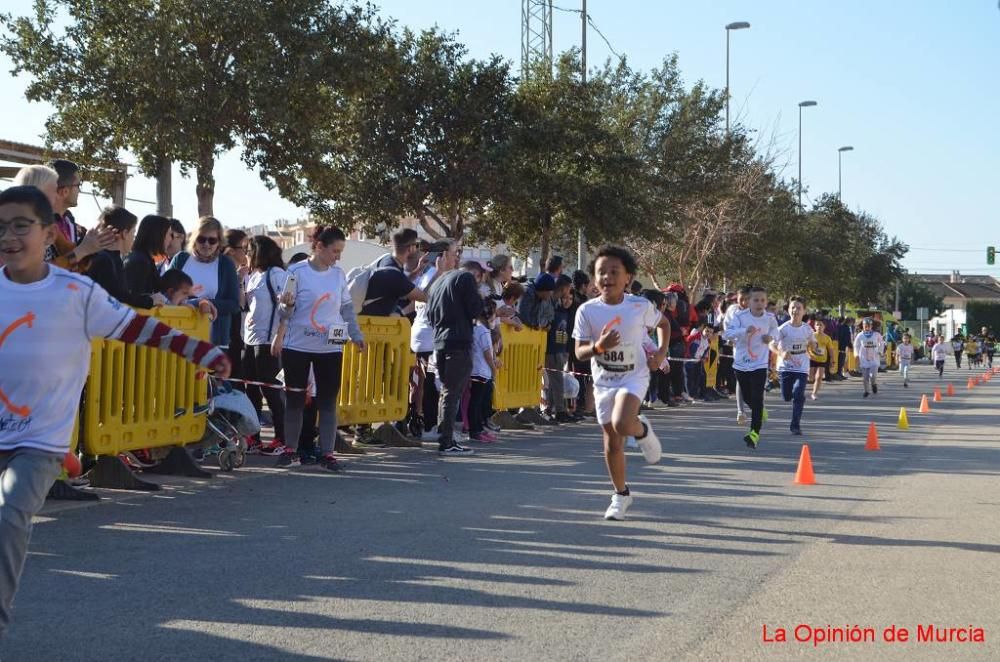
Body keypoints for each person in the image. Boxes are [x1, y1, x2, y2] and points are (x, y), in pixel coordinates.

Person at [0, 185, 230, 640]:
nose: (9, 236)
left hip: (38, 441)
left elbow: (136, 326)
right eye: (1, 226)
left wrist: (196, 350)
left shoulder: (75, 292)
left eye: (21, 225)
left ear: (48, 233)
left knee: (8, 515)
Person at [573, 245, 668, 521]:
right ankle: (621, 495)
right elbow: (579, 352)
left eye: (614, 272)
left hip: (633, 376)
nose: (607, 277)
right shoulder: (587, 311)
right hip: (604, 381)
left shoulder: (638, 306)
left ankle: (640, 431)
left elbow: (664, 325)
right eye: (601, 272)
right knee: (612, 444)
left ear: (628, 277)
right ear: (594, 279)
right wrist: (598, 347)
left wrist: (660, 353)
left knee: (622, 422)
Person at [270, 226, 365, 471]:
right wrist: (286, 306)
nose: (338, 257)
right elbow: (284, 311)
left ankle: (327, 453)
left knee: (328, 400)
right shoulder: (296, 271)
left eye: (341, 251)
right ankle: (290, 450)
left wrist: (355, 334)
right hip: (298, 344)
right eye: (335, 250)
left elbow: (345, 309)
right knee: (295, 399)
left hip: (330, 346)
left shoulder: (338, 275)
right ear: (319, 246)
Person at [425, 260, 485, 456]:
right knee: (453, 392)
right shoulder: (466, 278)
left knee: (446, 390)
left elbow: (430, 312)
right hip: (459, 341)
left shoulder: (440, 280)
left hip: (440, 340)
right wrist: (480, 297)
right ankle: (447, 441)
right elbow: (475, 309)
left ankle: (445, 434)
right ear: (476, 274)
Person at [12, 165, 114, 271]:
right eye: (53, 190)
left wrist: (91, 246)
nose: (57, 196)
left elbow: (74, 263)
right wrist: (82, 251)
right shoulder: (14, 229)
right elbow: (35, 274)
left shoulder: (46, 225)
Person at [409, 240, 460, 440]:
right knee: (432, 384)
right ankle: (430, 427)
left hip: (433, 336)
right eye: (455, 253)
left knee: (436, 383)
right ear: (442, 255)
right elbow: (423, 298)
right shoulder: (433, 276)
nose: (457, 257)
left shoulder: (436, 276)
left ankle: (438, 426)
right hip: (428, 338)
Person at [242, 235, 288, 453]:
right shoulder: (252, 276)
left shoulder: (277, 274)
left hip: (268, 339)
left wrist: (279, 336)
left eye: (249, 251)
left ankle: (282, 437)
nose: (247, 255)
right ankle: (254, 436)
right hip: (249, 339)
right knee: (250, 387)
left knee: (270, 389)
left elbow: (287, 307)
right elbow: (247, 306)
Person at [169, 217, 241, 347]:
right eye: (201, 239)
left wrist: (205, 303)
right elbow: (166, 292)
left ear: (219, 242)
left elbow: (234, 304)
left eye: (212, 240)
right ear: (194, 239)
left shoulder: (226, 264)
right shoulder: (181, 259)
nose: (206, 244)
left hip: (214, 340)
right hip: (180, 335)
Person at [722, 285, 778, 449]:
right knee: (746, 396)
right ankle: (758, 411)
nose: (759, 303)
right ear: (749, 301)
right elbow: (728, 334)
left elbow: (776, 331)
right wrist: (743, 331)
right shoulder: (740, 316)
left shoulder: (769, 318)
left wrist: (771, 337)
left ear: (766, 302)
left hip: (759, 363)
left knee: (757, 397)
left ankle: (754, 434)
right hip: (741, 362)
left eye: (762, 300)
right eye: (756, 300)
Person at [85, 206, 167, 309]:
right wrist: (149, 301)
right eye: (133, 233)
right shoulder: (104, 260)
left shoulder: (110, 258)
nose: (134, 238)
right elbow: (118, 297)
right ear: (124, 234)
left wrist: (149, 298)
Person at [770, 297, 817, 436]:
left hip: (802, 364)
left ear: (804, 311)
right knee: (786, 396)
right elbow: (771, 344)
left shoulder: (807, 328)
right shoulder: (783, 328)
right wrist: (780, 352)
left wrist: (814, 347)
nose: (795, 310)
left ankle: (795, 425)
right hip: (786, 366)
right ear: (788, 310)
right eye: (792, 307)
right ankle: (797, 397)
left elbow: (813, 342)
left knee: (798, 393)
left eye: (798, 308)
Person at [542, 275, 574, 423]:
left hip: (560, 348)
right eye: (568, 288)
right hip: (552, 349)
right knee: (555, 381)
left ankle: (552, 408)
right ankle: (558, 410)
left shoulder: (562, 309)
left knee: (557, 381)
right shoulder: (550, 303)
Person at [468, 299, 500, 443]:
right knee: (477, 402)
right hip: (480, 371)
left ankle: (478, 428)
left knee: (478, 401)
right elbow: (487, 354)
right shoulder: (483, 330)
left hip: (477, 370)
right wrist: (494, 369)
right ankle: (475, 430)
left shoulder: (477, 328)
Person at [124, 214, 172, 302]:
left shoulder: (145, 260)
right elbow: (133, 298)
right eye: (169, 234)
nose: (170, 239)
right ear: (158, 235)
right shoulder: (139, 262)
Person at [722, 286, 751, 423]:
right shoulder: (732, 310)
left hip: (757, 351)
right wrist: (732, 338)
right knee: (741, 378)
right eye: (741, 299)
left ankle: (756, 406)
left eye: (747, 299)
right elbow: (727, 327)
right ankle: (741, 411)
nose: (744, 303)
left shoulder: (757, 311)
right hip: (739, 348)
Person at [854, 318, 885, 398]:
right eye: (865, 326)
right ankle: (866, 391)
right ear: (862, 326)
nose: (867, 327)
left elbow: (881, 343)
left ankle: (874, 384)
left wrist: (880, 351)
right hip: (864, 358)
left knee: (873, 376)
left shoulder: (876, 334)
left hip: (874, 358)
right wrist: (856, 354)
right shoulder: (860, 335)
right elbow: (856, 345)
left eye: (868, 326)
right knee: (865, 377)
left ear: (871, 326)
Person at [807, 318, 834, 400]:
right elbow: (806, 347)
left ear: (824, 327)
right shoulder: (811, 336)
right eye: (817, 325)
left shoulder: (827, 338)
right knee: (810, 378)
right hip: (812, 359)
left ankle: (814, 393)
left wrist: (832, 359)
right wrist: (808, 355)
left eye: (821, 325)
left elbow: (830, 349)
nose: (819, 326)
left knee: (819, 377)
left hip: (822, 360)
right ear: (814, 326)